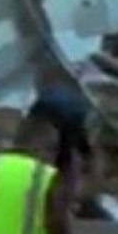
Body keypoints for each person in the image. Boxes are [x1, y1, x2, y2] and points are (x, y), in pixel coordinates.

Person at [25, 68, 96, 200]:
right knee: (65, 162)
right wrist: (86, 152)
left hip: (49, 121)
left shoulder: (48, 98)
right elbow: (79, 135)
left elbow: (32, 122)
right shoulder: (79, 102)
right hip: (65, 124)